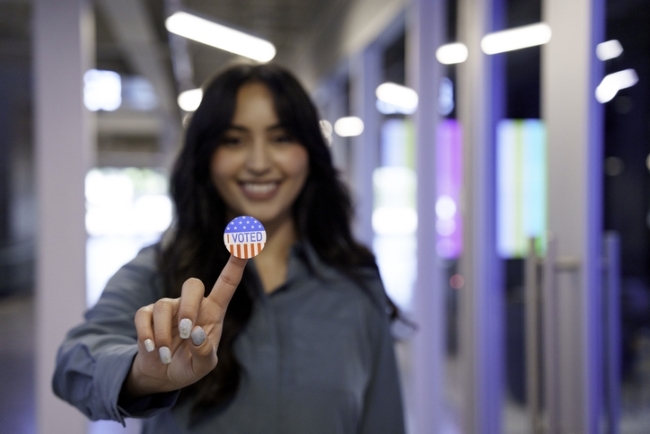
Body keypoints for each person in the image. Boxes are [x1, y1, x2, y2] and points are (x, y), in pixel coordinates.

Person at [53, 62, 406, 434]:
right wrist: (141, 373)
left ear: (310, 152)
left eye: (281, 137)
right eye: (233, 140)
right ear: (206, 156)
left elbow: (384, 419)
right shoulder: (163, 270)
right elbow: (74, 363)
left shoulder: (355, 281)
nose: (258, 163)